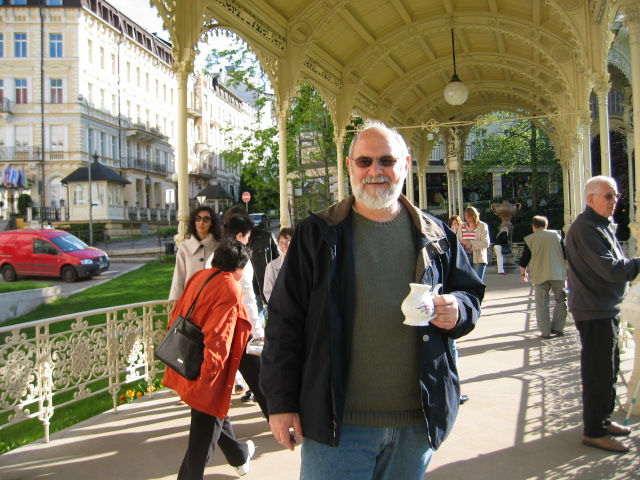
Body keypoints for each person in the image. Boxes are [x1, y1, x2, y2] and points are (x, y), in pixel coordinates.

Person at [260, 121, 485, 479]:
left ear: (405, 165)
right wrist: (281, 401)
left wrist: (458, 308)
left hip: (416, 426)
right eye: (364, 161)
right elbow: (285, 321)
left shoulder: (436, 234)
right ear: (349, 166)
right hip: (339, 426)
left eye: (386, 160)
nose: (375, 171)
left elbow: (470, 293)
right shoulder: (317, 234)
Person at [162, 238, 255, 479]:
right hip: (208, 368)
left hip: (189, 358)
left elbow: (179, 311)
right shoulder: (229, 286)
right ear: (238, 268)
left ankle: (240, 455)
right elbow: (219, 334)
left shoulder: (200, 276)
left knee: (215, 415)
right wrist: (210, 372)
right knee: (202, 436)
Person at [565, 175, 637, 454]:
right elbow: (611, 269)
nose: (614, 200)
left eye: (616, 195)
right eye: (609, 196)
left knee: (609, 368)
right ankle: (595, 431)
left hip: (604, 308)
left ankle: (603, 422)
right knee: (599, 372)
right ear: (591, 199)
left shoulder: (599, 225)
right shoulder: (586, 228)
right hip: (594, 310)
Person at [207, 215, 269, 417]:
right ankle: (277, 418)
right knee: (260, 379)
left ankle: (217, 422)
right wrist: (258, 332)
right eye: (248, 236)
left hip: (215, 330)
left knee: (215, 388)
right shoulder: (242, 259)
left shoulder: (213, 256)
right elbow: (248, 299)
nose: (248, 240)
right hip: (238, 329)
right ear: (241, 235)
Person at [519, 216, 567, 338]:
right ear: (546, 225)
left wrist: (523, 274)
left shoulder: (530, 239)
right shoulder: (557, 235)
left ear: (533, 226)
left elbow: (524, 259)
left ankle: (545, 332)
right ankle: (558, 328)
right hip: (558, 273)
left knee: (542, 303)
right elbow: (565, 255)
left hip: (539, 274)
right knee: (561, 300)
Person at [168, 206, 222, 301]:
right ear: (194, 221)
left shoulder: (219, 247)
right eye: (198, 218)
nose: (201, 222)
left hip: (213, 299)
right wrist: (175, 300)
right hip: (190, 299)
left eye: (206, 219)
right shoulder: (184, 247)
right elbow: (179, 276)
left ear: (212, 223)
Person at [263, 227, 294, 302]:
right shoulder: (272, 266)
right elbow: (269, 293)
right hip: (283, 307)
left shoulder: (305, 262)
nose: (284, 246)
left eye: (288, 242)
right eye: (281, 243)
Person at [459, 206, 490, 280]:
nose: (467, 217)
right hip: (464, 256)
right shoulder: (461, 226)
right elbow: (458, 241)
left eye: (469, 215)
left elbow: (486, 243)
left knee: (477, 280)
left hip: (478, 257)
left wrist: (470, 243)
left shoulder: (482, 226)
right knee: (466, 281)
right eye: (465, 215)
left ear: (474, 216)